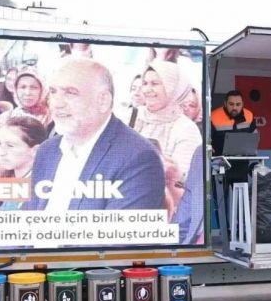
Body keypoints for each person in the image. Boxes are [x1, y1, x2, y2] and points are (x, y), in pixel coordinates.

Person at [23, 58, 165, 211]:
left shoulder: (137, 158)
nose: (57, 103)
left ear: (103, 101)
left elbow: (120, 227)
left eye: (70, 93)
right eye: (53, 92)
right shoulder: (47, 150)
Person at [133, 60, 201, 181]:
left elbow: (183, 180)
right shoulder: (131, 116)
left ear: (173, 88)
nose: (147, 89)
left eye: (155, 84)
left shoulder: (186, 129)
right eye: (145, 83)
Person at [0, 116, 47, 210]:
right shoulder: (8, 178)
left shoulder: (39, 189)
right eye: (0, 144)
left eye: (10, 145)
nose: (1, 152)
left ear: (35, 150)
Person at [0, 69, 52, 135]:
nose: (27, 93)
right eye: (22, 87)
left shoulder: (51, 117)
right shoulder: (5, 118)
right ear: (16, 90)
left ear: (42, 90)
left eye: (33, 87)